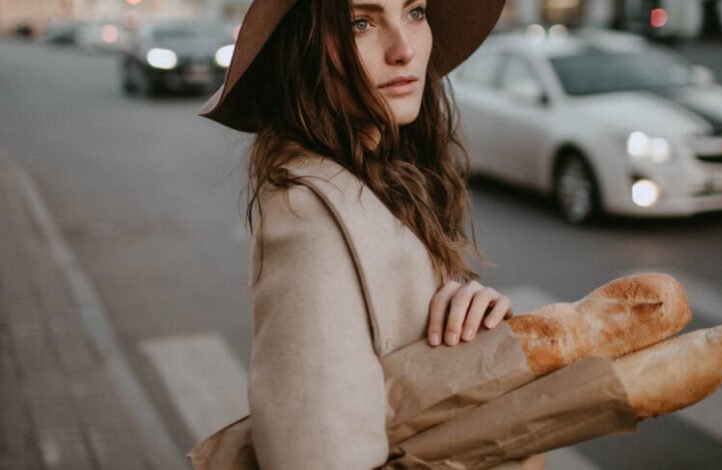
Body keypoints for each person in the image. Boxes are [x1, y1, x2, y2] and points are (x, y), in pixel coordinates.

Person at [191, 0, 546, 468]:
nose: (403, 49)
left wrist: (478, 339)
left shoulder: (378, 176)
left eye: (415, 12)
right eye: (361, 22)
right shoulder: (312, 218)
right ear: (305, 49)